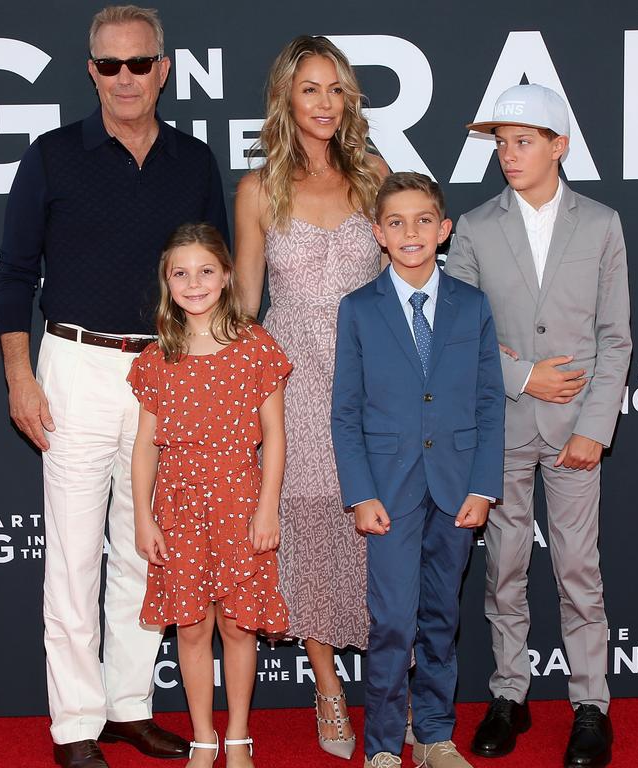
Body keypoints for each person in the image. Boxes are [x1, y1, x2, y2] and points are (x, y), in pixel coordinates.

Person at [0, 6, 228, 767]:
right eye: (109, 65)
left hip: (164, 371)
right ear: (91, 71)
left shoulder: (194, 162)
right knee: (72, 556)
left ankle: (129, 706)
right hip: (75, 366)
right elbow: (15, 275)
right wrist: (20, 375)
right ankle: (74, 726)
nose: (124, 78)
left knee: (143, 551)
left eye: (139, 63)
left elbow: (215, 282)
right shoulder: (53, 156)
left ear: (163, 69)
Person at [444, 84, 632, 768]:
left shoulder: (602, 223)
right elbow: (455, 336)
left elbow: (616, 339)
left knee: (580, 570)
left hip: (577, 428)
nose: (508, 155)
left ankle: (590, 704)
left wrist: (594, 427)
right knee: (506, 570)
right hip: (501, 426)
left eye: (523, 141)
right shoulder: (474, 227)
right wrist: (523, 377)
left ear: (560, 145)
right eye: (500, 144)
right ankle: (509, 694)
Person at [233, 34, 388, 759]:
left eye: (336, 89)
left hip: (374, 376)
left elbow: (412, 281)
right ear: (286, 100)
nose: (325, 103)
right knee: (313, 536)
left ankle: (393, 688)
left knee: (385, 536)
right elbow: (244, 302)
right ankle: (328, 691)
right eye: (310, 90)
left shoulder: (374, 177)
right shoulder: (260, 188)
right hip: (292, 380)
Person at [332, 172, 506, 768]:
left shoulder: (473, 306)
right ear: (378, 233)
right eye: (397, 222)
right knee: (392, 622)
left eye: (424, 220)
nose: (411, 232)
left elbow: (488, 402)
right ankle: (382, 745)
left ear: (445, 230)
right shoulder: (357, 310)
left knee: (440, 618)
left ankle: (434, 735)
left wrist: (485, 486)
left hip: (458, 489)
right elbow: (345, 412)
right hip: (389, 491)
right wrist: (359, 493)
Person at [128, 222, 291, 768]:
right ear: (167, 282)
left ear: (225, 276)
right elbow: (146, 447)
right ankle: (202, 737)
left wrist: (267, 507)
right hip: (177, 508)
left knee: (238, 625)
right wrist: (144, 519)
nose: (193, 283)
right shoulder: (157, 357)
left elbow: (275, 433)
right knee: (192, 627)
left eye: (204, 271)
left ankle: (239, 735)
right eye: (180, 273)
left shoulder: (255, 347)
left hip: (241, 503)